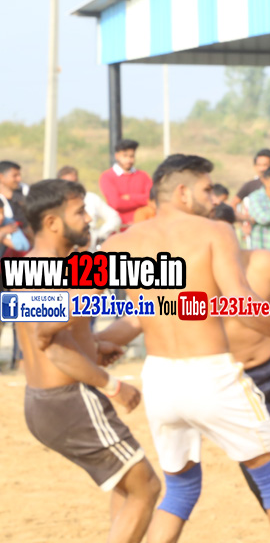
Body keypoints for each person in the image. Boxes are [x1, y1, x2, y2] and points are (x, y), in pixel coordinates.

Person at [60, 154, 270, 543]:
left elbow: (82, 308)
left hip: (160, 380)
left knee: (181, 490)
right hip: (211, 375)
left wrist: (97, 343)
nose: (213, 198)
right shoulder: (214, 232)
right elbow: (241, 303)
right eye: (206, 189)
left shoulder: (120, 242)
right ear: (182, 192)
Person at [17, 179, 161, 542]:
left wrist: (95, 346)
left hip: (51, 399)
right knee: (146, 486)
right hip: (68, 400)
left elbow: (60, 336)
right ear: (52, 222)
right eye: (80, 212)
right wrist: (111, 385)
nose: (88, 219)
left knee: (126, 483)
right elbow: (51, 345)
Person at [57, 167, 121, 250]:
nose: (88, 219)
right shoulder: (56, 203)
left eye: (74, 182)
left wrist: (99, 236)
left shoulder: (90, 198)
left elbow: (114, 217)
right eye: (68, 183)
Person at [98, 139, 153, 227]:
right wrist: (141, 200)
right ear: (117, 156)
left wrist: (130, 197)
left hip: (142, 227)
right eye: (125, 156)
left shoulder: (143, 176)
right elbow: (116, 204)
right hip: (119, 228)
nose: (129, 160)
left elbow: (152, 199)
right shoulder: (107, 177)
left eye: (131, 156)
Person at [0, 160, 33, 253]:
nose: (19, 179)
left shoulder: (24, 191)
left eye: (19, 175)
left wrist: (13, 196)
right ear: (1, 177)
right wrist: (3, 232)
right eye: (15, 176)